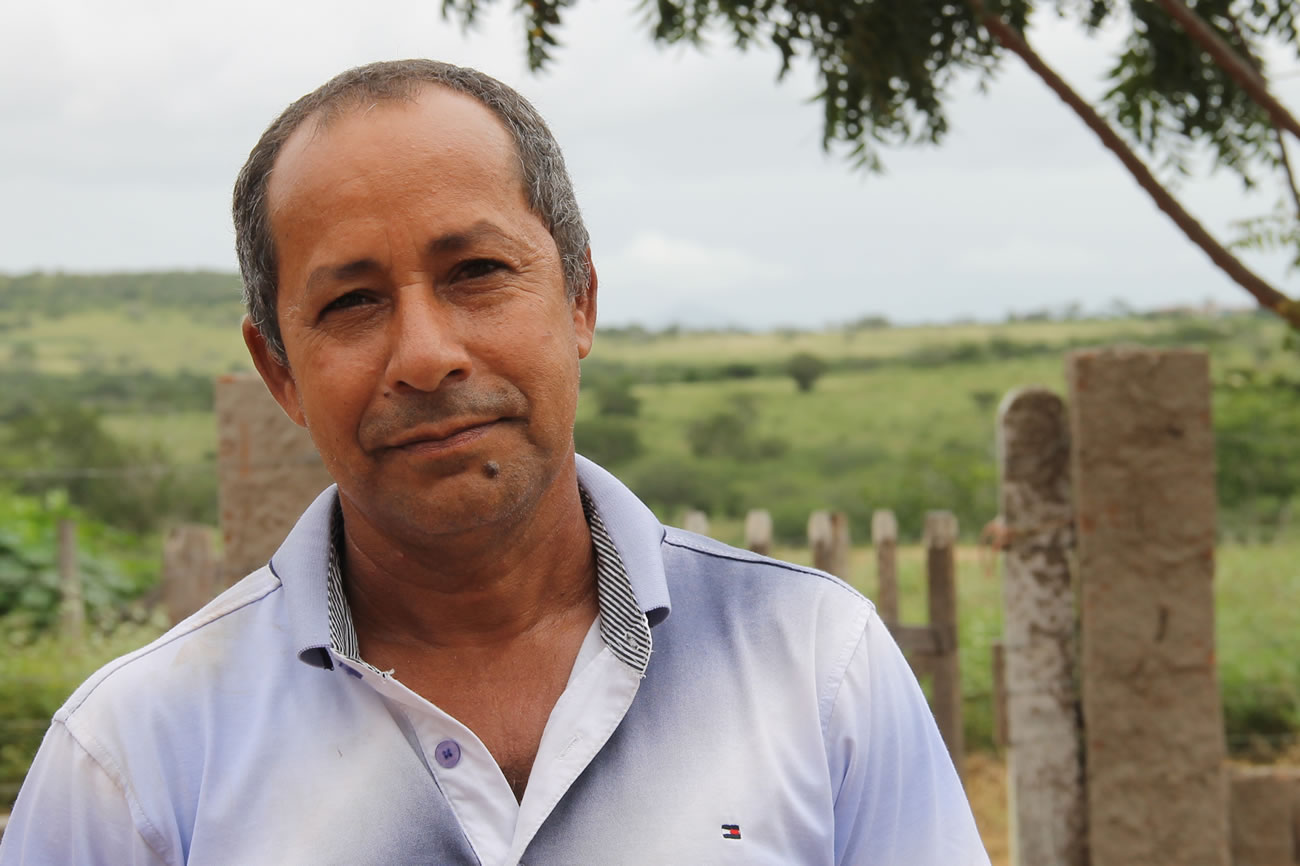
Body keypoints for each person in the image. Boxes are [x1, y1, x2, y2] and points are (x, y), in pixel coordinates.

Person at [0, 60, 989, 865]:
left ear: (579, 299)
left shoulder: (811, 663)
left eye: (477, 271)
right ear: (281, 372)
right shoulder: (134, 757)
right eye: (352, 302)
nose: (426, 355)